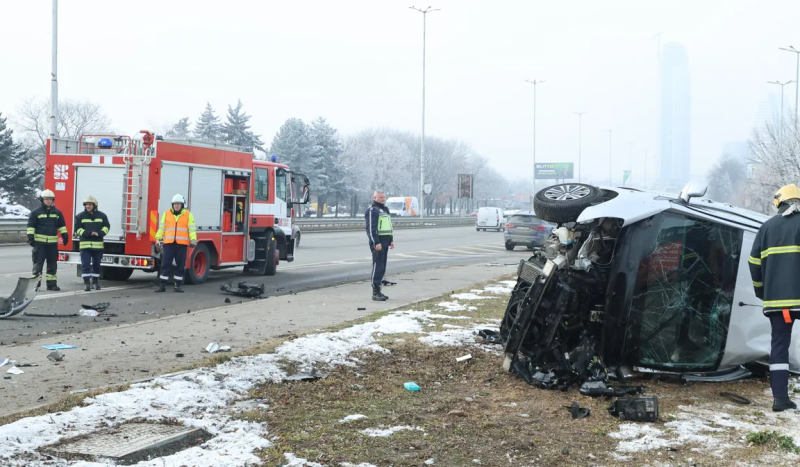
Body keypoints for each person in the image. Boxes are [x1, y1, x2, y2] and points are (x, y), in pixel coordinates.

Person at [749, 183, 800, 412]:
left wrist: (763, 292)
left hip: (778, 303)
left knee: (779, 346)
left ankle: (780, 399)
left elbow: (754, 264)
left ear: (780, 203)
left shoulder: (767, 227)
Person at [26, 189, 68, 291]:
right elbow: (31, 226)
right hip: (40, 244)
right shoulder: (36, 212)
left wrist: (65, 236)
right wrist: (31, 238)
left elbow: (62, 226)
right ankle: (35, 285)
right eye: (46, 199)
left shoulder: (57, 213)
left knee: (52, 264)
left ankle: (52, 284)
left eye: (50, 199)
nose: (49, 201)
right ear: (42, 200)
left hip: (52, 244)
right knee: (38, 264)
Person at [154, 194, 197, 293]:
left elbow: (192, 229)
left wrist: (193, 239)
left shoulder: (188, 215)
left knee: (180, 265)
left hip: (181, 245)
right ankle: (162, 286)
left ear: (182, 205)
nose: (176, 206)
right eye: (175, 204)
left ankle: (177, 285)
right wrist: (157, 238)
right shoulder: (167, 214)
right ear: (172, 205)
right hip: (169, 244)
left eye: (178, 204)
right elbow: (162, 228)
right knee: (165, 264)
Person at [74, 195, 110, 291]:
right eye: (86, 204)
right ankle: (86, 283)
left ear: (95, 205)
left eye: (90, 204)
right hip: (85, 246)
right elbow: (77, 229)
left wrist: (100, 233)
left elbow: (107, 227)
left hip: (97, 246)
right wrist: (89, 233)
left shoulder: (102, 216)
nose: (88, 206)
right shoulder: (80, 216)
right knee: (85, 265)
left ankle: (95, 282)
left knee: (96, 265)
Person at [365, 190, 394, 301]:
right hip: (378, 242)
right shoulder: (373, 210)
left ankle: (379, 290)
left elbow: (388, 226)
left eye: (384, 197)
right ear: (375, 197)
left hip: (386, 241)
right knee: (377, 266)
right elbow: (370, 229)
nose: (383, 199)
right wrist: (376, 242)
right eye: (380, 197)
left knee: (382, 267)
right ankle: (375, 292)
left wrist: (391, 240)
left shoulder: (384, 210)